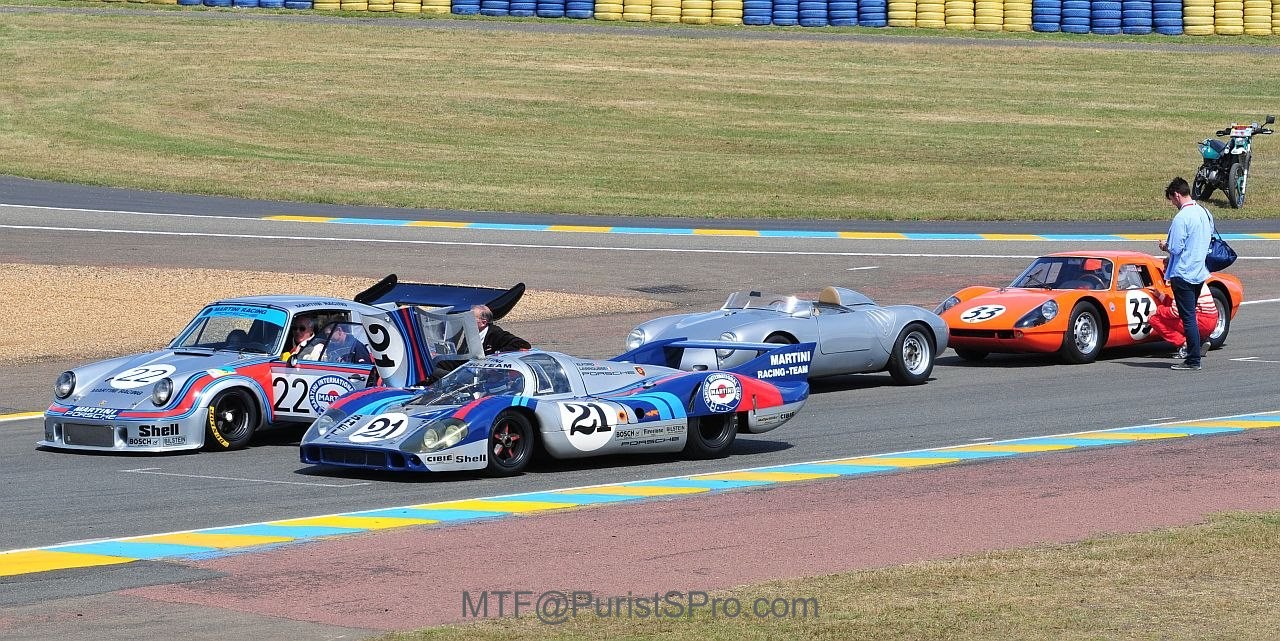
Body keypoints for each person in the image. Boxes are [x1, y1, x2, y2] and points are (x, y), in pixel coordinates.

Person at [1159, 177, 1213, 371]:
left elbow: (1175, 247)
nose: (1173, 204)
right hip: (1199, 272)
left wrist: (1164, 246)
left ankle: (1193, 359)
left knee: (1188, 317)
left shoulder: (1182, 217)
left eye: (1172, 200)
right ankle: (1196, 349)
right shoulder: (1205, 212)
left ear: (1176, 195)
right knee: (1191, 315)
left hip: (1183, 273)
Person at [1149, 288, 1217, 360]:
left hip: (1200, 321)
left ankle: (1185, 345)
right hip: (1213, 319)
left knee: (1154, 319)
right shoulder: (1198, 280)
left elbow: (1175, 312)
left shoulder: (1181, 284)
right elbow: (1181, 305)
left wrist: (1158, 310)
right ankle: (1201, 340)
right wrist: (1161, 296)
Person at [304, 324, 370, 364]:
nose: (328, 338)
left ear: (339, 330)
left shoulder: (356, 346)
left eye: (329, 334)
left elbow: (366, 370)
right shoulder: (330, 347)